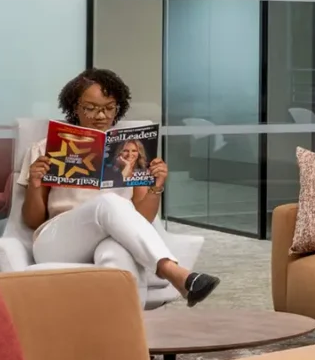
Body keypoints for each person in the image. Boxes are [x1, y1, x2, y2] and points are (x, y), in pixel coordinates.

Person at [20, 68, 219, 306]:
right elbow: (32, 220)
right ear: (74, 107)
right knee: (110, 202)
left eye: (109, 107)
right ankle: (173, 271)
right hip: (57, 241)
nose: (101, 115)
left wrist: (156, 186)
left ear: (118, 108)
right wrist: (34, 183)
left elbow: (142, 218)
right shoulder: (45, 148)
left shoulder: (130, 148)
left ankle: (129, 334)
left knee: (118, 253)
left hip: (114, 235)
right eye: (90, 108)